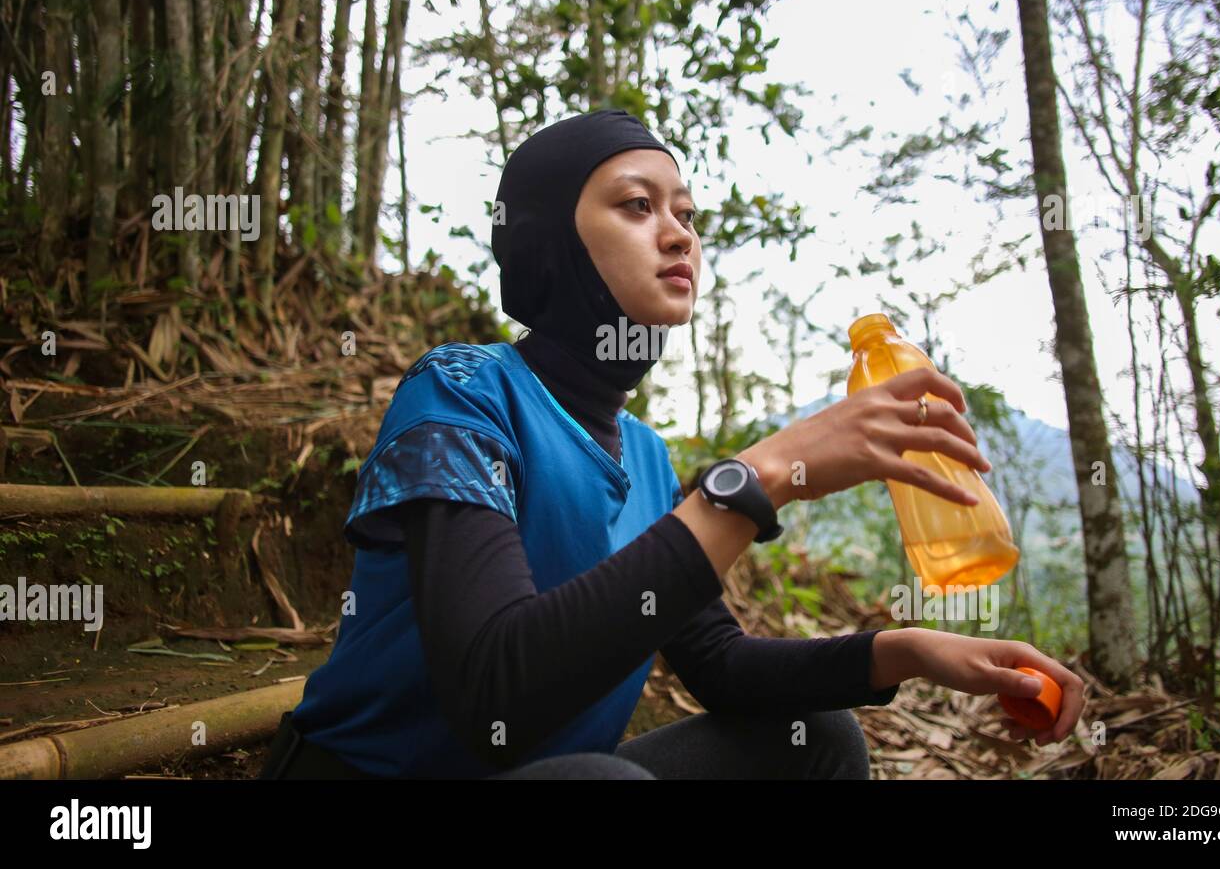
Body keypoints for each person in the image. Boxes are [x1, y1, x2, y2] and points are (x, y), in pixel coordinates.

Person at [259, 107, 1083, 780]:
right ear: (553, 239)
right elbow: (494, 701)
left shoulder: (645, 457)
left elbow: (720, 666)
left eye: (686, 214)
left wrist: (907, 650)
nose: (680, 233)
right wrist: (757, 479)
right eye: (636, 205)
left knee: (818, 741)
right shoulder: (465, 393)